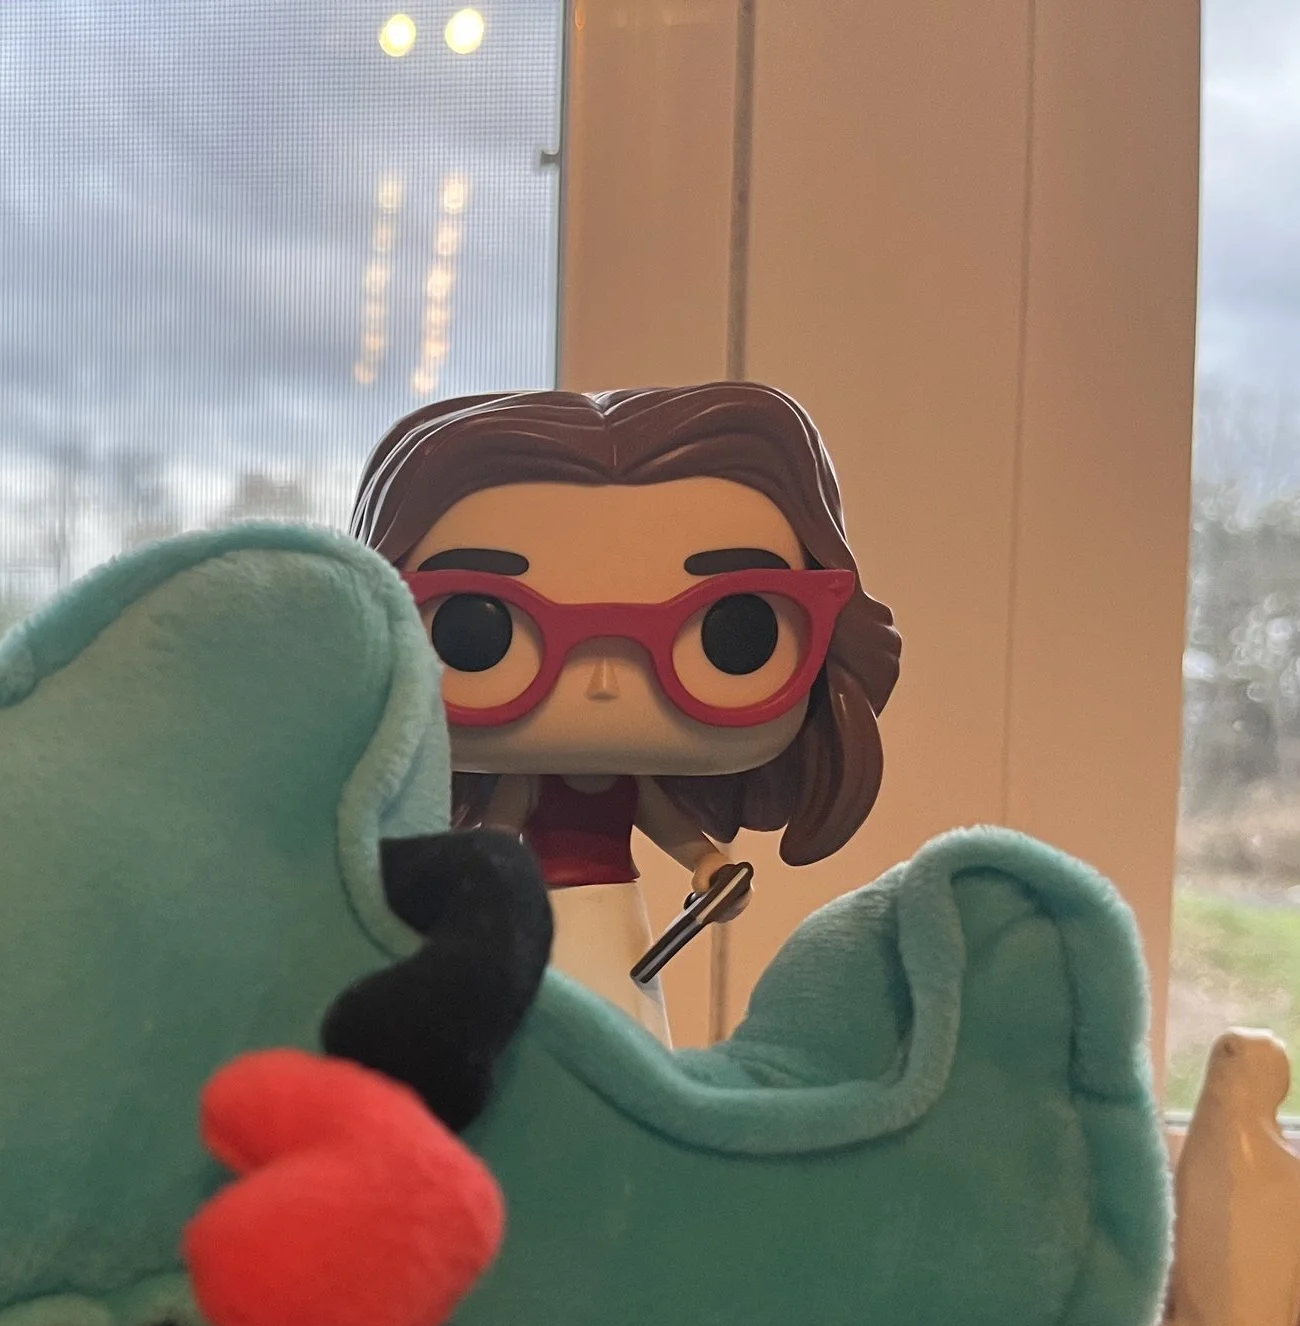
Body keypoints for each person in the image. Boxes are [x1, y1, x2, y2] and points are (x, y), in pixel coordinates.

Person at [351, 383, 901, 1044]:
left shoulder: (625, 790)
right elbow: (495, 839)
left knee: (626, 1033)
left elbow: (669, 830)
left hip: (617, 915)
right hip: (535, 917)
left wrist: (709, 868)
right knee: (530, 1037)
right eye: (477, 630)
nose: (605, 680)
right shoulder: (523, 787)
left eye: (734, 630)